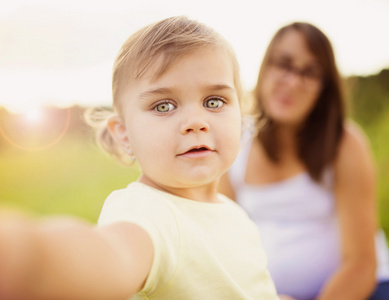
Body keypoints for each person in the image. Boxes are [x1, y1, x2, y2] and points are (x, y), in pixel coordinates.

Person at [0, 16, 280, 300]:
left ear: (240, 115)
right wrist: (27, 257)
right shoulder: (148, 212)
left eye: (214, 101)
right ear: (124, 134)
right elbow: (109, 257)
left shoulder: (232, 212)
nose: (196, 121)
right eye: (163, 106)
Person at [220, 22, 389, 300]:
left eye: (310, 72)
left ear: (324, 88)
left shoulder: (345, 144)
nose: (293, 82)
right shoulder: (235, 141)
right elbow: (225, 245)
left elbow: (362, 264)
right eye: (283, 64)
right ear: (264, 68)